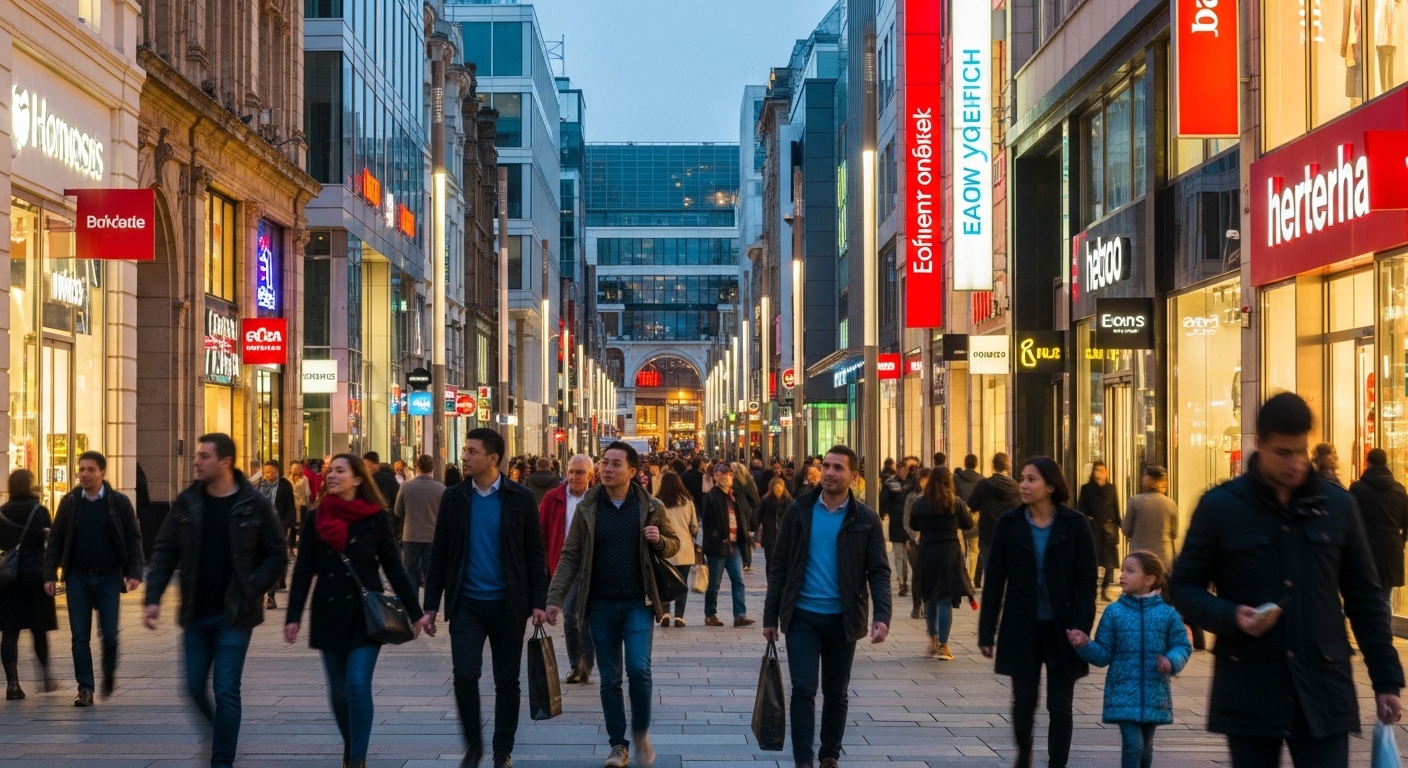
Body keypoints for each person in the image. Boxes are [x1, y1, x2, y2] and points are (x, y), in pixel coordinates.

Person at [1170, 392, 1404, 767]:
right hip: (1251, 687)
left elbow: (1365, 597)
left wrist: (1386, 681)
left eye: (1301, 451)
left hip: (1323, 686)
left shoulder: (1338, 506)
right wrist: (1231, 616)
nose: (1295, 463)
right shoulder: (1221, 506)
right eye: (1283, 452)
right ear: (1260, 444)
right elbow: (1183, 587)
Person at [144, 434, 287, 768]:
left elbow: (276, 555)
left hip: (234, 615)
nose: (196, 461)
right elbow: (165, 550)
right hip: (195, 613)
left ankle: (221, 761)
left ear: (225, 462)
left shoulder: (254, 504)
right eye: (197, 455)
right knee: (193, 688)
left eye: (204, 456)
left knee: (225, 690)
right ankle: (221, 732)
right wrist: (153, 598)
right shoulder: (187, 502)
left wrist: (252, 587)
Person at [284, 454, 425, 768]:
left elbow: (394, 567)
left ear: (358, 478)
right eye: (330, 470)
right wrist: (292, 615)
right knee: (337, 692)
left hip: (365, 612)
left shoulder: (375, 518)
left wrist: (416, 612)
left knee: (357, 684)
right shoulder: (315, 518)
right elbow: (304, 569)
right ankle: (351, 744)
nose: (331, 475)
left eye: (339, 471)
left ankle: (357, 759)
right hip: (328, 611)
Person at [546, 441, 680, 768]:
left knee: (639, 669)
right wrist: (554, 598)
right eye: (604, 462)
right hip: (600, 605)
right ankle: (617, 745)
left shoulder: (650, 506)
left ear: (632, 471)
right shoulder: (589, 507)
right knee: (610, 678)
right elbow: (571, 556)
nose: (607, 469)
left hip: (638, 603)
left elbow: (675, 545)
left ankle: (640, 733)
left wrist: (658, 540)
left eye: (615, 464)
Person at [422, 428, 549, 768]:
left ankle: (501, 751)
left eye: (472, 451)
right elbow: (440, 555)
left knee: (507, 680)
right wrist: (430, 607)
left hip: (509, 605)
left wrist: (538, 601)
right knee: (465, 674)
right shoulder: (454, 497)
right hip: (467, 603)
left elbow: (534, 554)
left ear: (492, 459)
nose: (464, 457)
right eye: (464, 450)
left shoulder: (520, 497)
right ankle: (474, 744)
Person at [763, 445, 890, 768]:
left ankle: (829, 754)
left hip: (843, 618)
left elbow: (878, 570)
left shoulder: (866, 519)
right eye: (827, 466)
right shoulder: (799, 510)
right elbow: (780, 564)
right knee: (803, 689)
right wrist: (770, 616)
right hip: (802, 615)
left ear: (854, 476)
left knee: (836, 691)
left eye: (838, 468)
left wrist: (882, 616)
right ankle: (803, 759)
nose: (829, 473)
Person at [978, 456, 1097, 768]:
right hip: (1022, 625)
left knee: (1061, 706)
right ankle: (1024, 749)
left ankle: (1057, 762)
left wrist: (1082, 625)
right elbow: (994, 582)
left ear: (1051, 485)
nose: (1023, 485)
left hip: (1063, 627)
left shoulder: (1075, 524)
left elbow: (1087, 581)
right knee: (1024, 702)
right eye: (1022, 478)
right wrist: (986, 631)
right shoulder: (1010, 523)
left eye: (1031, 479)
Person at [1067, 552, 1192, 768]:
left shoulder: (1167, 613)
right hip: (1123, 691)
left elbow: (1181, 645)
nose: (1122, 575)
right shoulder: (1114, 612)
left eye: (1130, 571)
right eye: (1123, 569)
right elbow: (1104, 653)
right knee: (1133, 745)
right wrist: (1085, 645)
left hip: (1155, 691)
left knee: (1146, 747)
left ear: (1149, 579)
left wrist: (1171, 661)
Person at [42, 450, 144, 706]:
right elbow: (55, 538)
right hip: (77, 578)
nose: (84, 474)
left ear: (102, 473)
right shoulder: (70, 502)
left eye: (90, 470)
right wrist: (49, 574)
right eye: (81, 470)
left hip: (109, 577)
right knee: (79, 636)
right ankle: (85, 688)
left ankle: (108, 672)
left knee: (109, 635)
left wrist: (134, 572)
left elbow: (133, 538)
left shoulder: (118, 502)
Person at [539, 454, 597, 682]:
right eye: (571, 471)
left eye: (580, 472)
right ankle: (578, 664)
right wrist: (545, 563)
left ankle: (586, 662)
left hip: (594, 568)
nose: (574, 476)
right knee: (571, 615)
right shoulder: (553, 498)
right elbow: (541, 533)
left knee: (589, 617)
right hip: (565, 567)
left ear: (591, 475)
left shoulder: (596, 499)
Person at [0, 469, 57, 699]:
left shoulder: (2, 512)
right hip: (35, 578)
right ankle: (45, 677)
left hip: (7, 581)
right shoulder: (39, 511)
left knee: (9, 633)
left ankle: (13, 684)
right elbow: (50, 541)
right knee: (39, 630)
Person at [908, 467, 974, 661]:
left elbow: (913, 525)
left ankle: (932, 641)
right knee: (945, 599)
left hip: (927, 551)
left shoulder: (920, 502)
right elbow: (968, 524)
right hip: (949, 553)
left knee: (929, 597)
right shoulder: (955, 501)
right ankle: (944, 646)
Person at [1350, 448, 1408, 603]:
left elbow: (1351, 520)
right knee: (1385, 598)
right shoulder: (1400, 490)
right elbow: (1406, 522)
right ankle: (1384, 627)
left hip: (1365, 548)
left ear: (1368, 463)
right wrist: (1400, 541)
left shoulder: (1358, 489)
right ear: (1386, 463)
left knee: (1364, 596)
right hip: (1391, 549)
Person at [701, 463, 755, 627]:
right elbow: (708, 522)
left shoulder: (735, 495)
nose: (727, 477)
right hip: (718, 546)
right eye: (722, 474)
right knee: (714, 583)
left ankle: (740, 615)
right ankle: (710, 614)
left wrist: (748, 533)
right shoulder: (711, 496)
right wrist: (715, 537)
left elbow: (746, 513)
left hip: (735, 544)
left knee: (738, 580)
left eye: (729, 474)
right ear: (716, 477)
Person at [394, 455, 447, 596]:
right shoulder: (441, 488)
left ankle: (413, 604)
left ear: (417, 468)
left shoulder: (406, 487)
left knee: (410, 570)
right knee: (430, 572)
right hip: (432, 536)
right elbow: (445, 514)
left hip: (411, 534)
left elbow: (397, 511)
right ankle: (430, 604)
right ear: (432, 468)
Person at [966, 453, 1021, 589]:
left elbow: (971, 507)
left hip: (988, 536)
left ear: (993, 466)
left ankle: (996, 602)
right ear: (1008, 467)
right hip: (1011, 538)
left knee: (991, 576)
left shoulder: (983, 485)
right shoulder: (1017, 488)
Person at [656, 471, 699, 627]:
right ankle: (679, 617)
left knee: (664, 582)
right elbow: (694, 526)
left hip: (664, 548)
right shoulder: (687, 503)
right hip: (684, 548)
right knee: (682, 583)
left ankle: (665, 613)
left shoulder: (657, 503)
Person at [256, 460, 298, 609]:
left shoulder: (285, 485)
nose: (269, 474)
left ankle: (271, 596)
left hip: (278, 525)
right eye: (266, 471)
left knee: (272, 560)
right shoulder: (259, 485)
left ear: (278, 471)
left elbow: (290, 506)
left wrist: (290, 525)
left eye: (272, 471)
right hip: (259, 527)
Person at [1078, 461, 1122, 601]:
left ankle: (1104, 589)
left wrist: (1118, 524)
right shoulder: (1087, 488)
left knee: (1109, 562)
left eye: (1102, 470)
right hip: (1094, 529)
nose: (1099, 473)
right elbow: (1081, 508)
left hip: (1108, 529)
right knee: (1093, 560)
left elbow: (1115, 508)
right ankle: (1091, 589)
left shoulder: (1111, 488)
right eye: (1096, 470)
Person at [1121, 466, 1178, 569]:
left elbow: (1126, 529)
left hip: (1140, 557)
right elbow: (1175, 533)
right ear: (1161, 482)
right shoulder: (1171, 504)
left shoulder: (1134, 501)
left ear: (1147, 481)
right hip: (1164, 558)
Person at [881, 459, 916, 597]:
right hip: (896, 522)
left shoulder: (913, 483)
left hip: (909, 523)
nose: (904, 471)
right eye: (902, 468)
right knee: (899, 554)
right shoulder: (890, 483)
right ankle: (902, 582)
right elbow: (884, 501)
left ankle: (907, 581)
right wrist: (886, 512)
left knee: (908, 554)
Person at [755, 477, 792, 574]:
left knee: (782, 561)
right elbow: (758, 517)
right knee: (770, 561)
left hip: (783, 535)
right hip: (770, 535)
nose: (777, 491)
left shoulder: (788, 501)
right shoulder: (766, 500)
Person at [287, 460, 310, 544]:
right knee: (292, 524)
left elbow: (307, 492)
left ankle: (301, 541)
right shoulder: (288, 479)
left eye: (296, 468)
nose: (294, 470)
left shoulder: (304, 479)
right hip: (292, 504)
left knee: (301, 524)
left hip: (301, 504)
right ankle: (291, 543)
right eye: (293, 468)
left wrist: (308, 505)